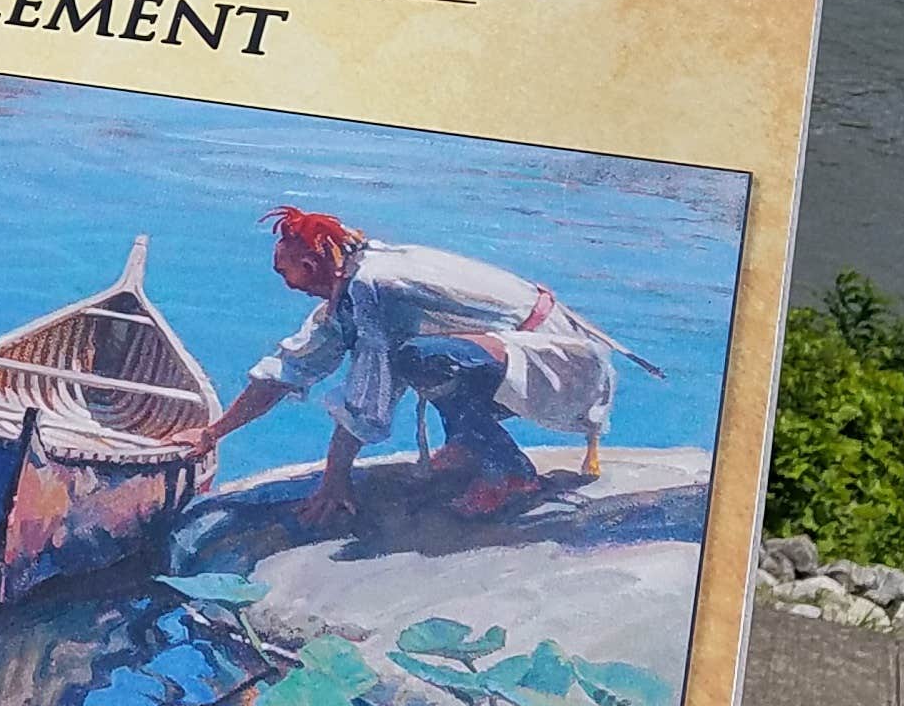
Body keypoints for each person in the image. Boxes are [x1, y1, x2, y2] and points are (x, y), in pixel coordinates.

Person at [188, 206, 624, 521]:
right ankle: (470, 447)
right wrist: (213, 433)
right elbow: (290, 368)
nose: (287, 285)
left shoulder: (373, 287)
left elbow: (370, 392)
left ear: (311, 263)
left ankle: (511, 474)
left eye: (286, 272)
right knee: (424, 357)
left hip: (560, 365)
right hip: (514, 359)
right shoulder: (350, 290)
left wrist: (335, 479)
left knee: (416, 360)